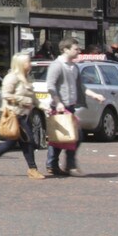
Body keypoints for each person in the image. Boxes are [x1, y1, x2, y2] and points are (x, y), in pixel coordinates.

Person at [0, 51, 44, 179]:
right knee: (29, 140)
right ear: (20, 63)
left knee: (11, 143)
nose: (30, 64)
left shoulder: (26, 77)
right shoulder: (12, 77)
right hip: (15, 115)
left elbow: (33, 97)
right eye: (27, 61)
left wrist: (43, 106)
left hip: (24, 115)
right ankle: (32, 169)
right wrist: (23, 101)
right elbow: (6, 95)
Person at [43, 38, 86, 177]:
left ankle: (56, 164)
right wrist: (58, 102)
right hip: (60, 108)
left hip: (70, 106)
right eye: (75, 48)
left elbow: (80, 87)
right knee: (68, 137)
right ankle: (63, 164)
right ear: (65, 49)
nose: (78, 51)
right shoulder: (57, 65)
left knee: (66, 137)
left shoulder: (74, 66)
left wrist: (94, 95)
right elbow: (50, 86)